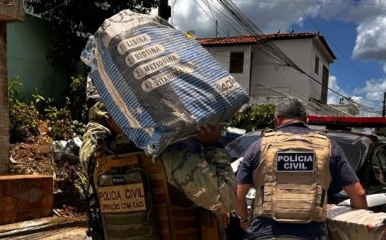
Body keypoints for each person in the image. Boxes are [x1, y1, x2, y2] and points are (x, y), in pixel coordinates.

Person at [79, 101, 237, 237]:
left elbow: (93, 127)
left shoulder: (96, 159)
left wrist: (105, 108)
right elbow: (227, 200)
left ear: (111, 122)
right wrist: (213, 145)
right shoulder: (173, 157)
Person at [236, 97, 368, 240]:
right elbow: (359, 194)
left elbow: (239, 194)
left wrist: (244, 220)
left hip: (264, 233)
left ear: (277, 119)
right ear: (307, 120)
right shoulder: (329, 147)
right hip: (312, 235)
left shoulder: (258, 146)